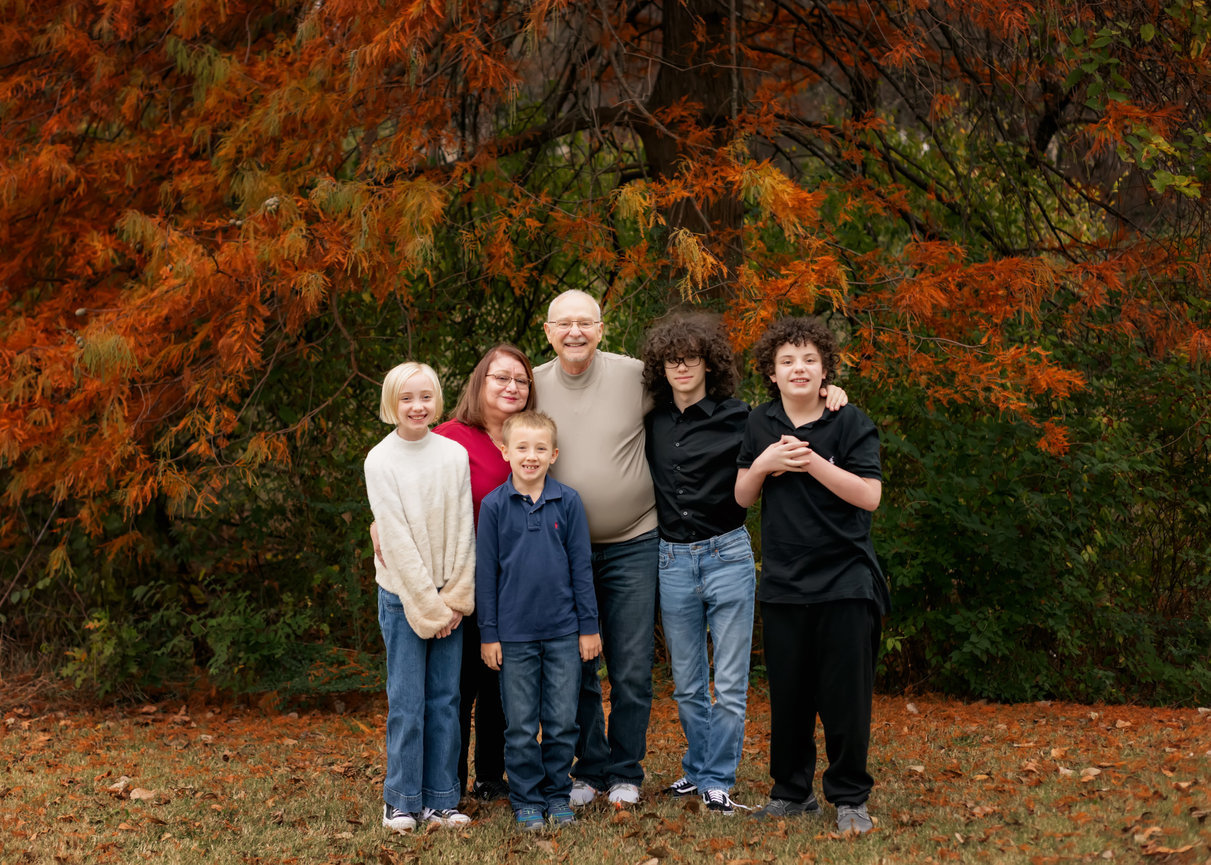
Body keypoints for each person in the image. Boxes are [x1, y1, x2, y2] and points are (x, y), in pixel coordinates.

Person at [641, 311, 846, 817]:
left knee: (729, 680)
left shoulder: (745, 417)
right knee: (686, 681)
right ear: (662, 368)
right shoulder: (651, 420)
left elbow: (803, 416)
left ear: (710, 364)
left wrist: (833, 393)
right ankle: (695, 767)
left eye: (691, 357)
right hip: (671, 557)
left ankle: (718, 779)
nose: (682, 366)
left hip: (727, 554)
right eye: (672, 359)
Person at [734, 317, 889, 835]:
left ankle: (849, 797)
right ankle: (791, 792)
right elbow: (742, 496)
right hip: (783, 581)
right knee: (790, 697)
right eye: (786, 361)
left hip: (846, 580)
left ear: (825, 371)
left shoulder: (850, 422)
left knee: (845, 698)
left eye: (808, 360)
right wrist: (765, 462)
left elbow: (869, 496)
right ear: (771, 374)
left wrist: (808, 461)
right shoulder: (759, 423)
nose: (798, 368)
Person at [372, 344, 536, 801]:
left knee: (502, 685)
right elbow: (404, 480)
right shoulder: (449, 437)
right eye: (500, 377)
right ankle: (447, 785)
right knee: (457, 686)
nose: (511, 387)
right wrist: (376, 524)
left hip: (518, 580)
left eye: (521, 380)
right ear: (479, 383)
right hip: (461, 577)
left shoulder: (531, 435)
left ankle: (491, 777)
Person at [532, 289, 656, 806]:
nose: (575, 332)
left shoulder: (636, 375)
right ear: (548, 331)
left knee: (630, 664)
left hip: (633, 541)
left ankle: (626, 770)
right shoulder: (531, 384)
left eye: (586, 322)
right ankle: (589, 769)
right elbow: (477, 424)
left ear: (602, 329)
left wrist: (829, 394)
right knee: (574, 666)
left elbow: (702, 393)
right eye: (565, 324)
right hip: (562, 548)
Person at [476, 411, 603, 830]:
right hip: (513, 637)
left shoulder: (567, 502)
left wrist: (589, 627)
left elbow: (582, 570)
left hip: (565, 633)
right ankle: (526, 798)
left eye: (540, 449)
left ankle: (556, 793)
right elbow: (487, 576)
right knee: (520, 725)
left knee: (563, 721)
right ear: (505, 452)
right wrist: (489, 634)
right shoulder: (494, 506)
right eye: (522, 448)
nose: (530, 456)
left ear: (554, 455)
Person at [364, 361, 476, 833]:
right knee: (407, 701)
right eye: (407, 398)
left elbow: (463, 528)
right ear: (392, 403)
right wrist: (429, 608)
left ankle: (441, 799)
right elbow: (394, 540)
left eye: (426, 396)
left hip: (449, 595)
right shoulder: (380, 460)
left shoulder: (452, 455)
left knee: (446, 701)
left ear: (438, 401)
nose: (417, 406)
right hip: (402, 597)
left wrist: (453, 598)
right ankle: (402, 799)